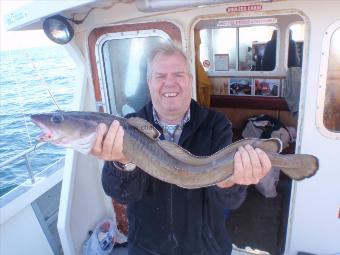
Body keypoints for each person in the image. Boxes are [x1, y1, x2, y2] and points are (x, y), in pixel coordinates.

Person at [91, 43, 272, 255]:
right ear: (149, 83)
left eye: (178, 74)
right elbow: (121, 195)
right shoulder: (129, 127)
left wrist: (231, 179)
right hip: (147, 249)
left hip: (205, 248)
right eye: (160, 76)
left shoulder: (216, 124)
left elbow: (230, 201)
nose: (170, 83)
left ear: (189, 80)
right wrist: (122, 163)